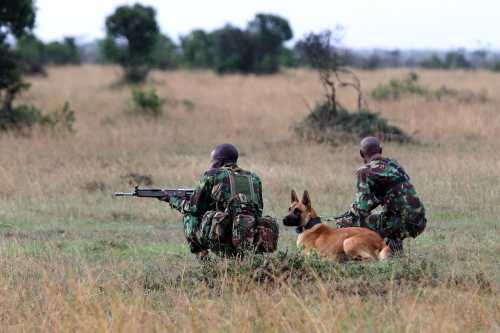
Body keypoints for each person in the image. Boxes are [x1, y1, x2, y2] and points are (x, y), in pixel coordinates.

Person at [162, 143, 274, 258]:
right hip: (250, 239)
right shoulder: (254, 178)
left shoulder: (213, 175)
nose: (211, 164)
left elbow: (193, 208)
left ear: (220, 161)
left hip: (222, 238)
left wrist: (172, 199)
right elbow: (258, 211)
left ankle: (204, 259)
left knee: (189, 217)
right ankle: (243, 257)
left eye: (212, 161)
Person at [338, 137, 426, 254]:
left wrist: (347, 214)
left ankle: (358, 257)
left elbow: (362, 210)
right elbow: (387, 195)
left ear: (361, 154)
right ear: (380, 150)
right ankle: (393, 248)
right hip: (419, 221)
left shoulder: (365, 171)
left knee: (348, 222)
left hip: (401, 222)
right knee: (386, 218)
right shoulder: (394, 165)